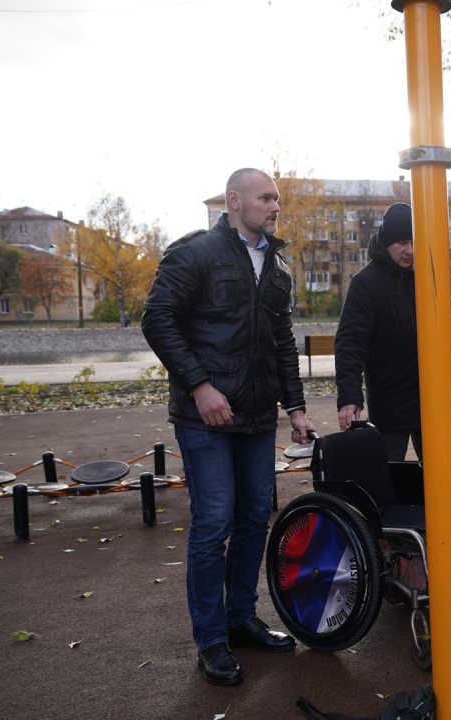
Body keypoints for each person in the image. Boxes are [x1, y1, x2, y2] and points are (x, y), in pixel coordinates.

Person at [142, 167, 311, 686]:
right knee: (214, 520)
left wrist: (296, 407)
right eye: (266, 198)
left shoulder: (277, 266)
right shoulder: (195, 253)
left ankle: (241, 619)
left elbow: (282, 341)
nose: (275, 206)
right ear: (234, 201)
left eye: (277, 199)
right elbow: (157, 319)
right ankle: (211, 639)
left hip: (258, 416)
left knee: (254, 517)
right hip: (206, 416)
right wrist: (199, 386)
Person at [334, 202, 422, 461]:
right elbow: (350, 341)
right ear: (386, 242)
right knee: (390, 478)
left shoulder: (425, 277)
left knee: (438, 477)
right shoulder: (366, 283)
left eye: (415, 242)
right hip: (391, 401)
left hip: (431, 399)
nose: (410, 251)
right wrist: (349, 396)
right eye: (402, 242)